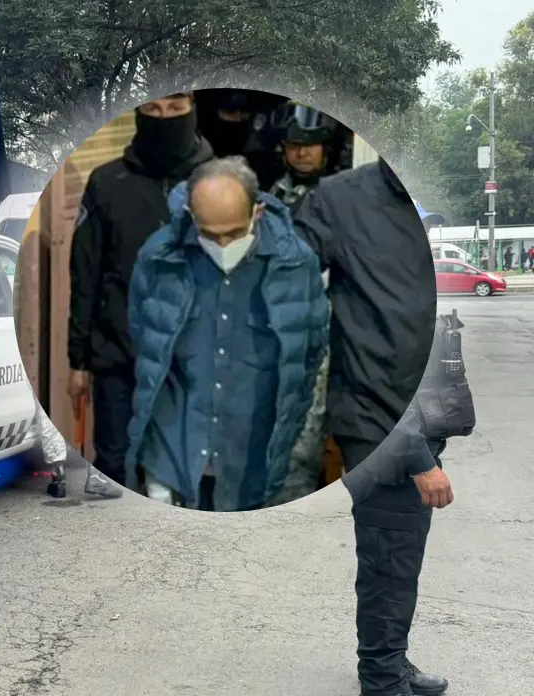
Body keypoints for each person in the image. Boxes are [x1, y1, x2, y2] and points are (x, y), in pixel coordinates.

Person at [292, 160, 450, 696]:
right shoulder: (345, 209)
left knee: (400, 562)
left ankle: (392, 663)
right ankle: (381, 680)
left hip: (408, 429)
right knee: (387, 563)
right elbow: (368, 363)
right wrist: (417, 457)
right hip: (384, 438)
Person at [123, 157, 328, 510]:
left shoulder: (295, 265)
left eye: (233, 233)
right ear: (190, 214)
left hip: (254, 457)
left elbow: (308, 357)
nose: (221, 243)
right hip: (179, 455)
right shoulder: (160, 258)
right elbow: (148, 351)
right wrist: (154, 463)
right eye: (209, 233)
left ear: (257, 213)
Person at [68, 92, 215, 488]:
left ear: (192, 109)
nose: (164, 116)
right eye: (152, 108)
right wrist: (78, 360)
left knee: (192, 472)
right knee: (115, 468)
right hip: (119, 356)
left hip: (195, 359)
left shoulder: (221, 181)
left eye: (175, 107)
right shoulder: (106, 182)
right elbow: (85, 273)